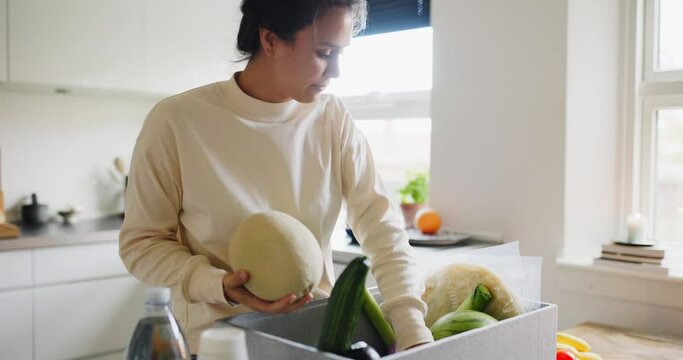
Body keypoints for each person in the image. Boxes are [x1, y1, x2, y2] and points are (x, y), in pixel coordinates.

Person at [119, 0, 434, 353]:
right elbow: (141, 244)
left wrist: (412, 330)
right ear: (270, 40)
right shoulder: (177, 121)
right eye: (324, 52)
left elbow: (382, 228)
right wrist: (216, 283)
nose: (336, 71)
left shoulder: (332, 118)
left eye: (341, 52)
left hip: (316, 336)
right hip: (219, 343)